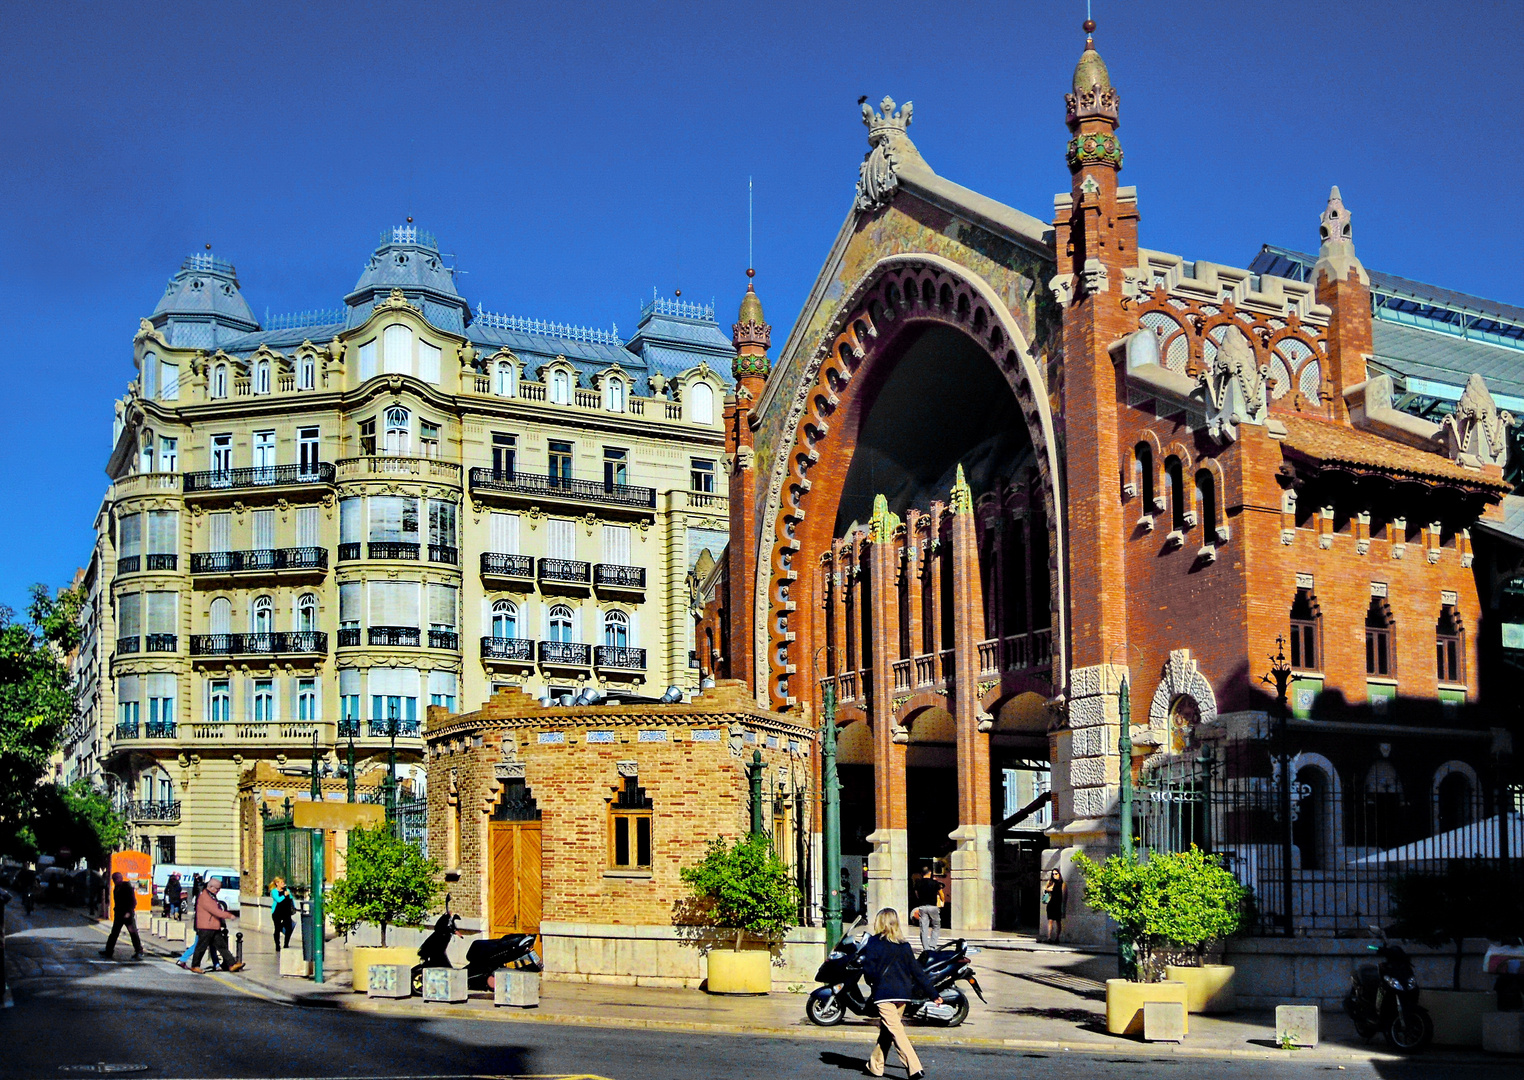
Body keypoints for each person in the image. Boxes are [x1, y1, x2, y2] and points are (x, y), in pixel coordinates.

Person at [857, 908, 938, 1080]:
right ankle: (874, 1066)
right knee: (888, 1031)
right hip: (902, 995)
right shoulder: (904, 946)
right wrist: (933, 994)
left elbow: (869, 969)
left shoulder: (873, 942)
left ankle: (914, 1067)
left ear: (879, 922)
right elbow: (917, 972)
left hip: (884, 994)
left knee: (896, 1031)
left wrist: (872, 981)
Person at [190, 877, 244, 974]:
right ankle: (195, 966)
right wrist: (229, 915)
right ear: (211, 887)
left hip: (213, 926)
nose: (218, 891)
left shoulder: (211, 896)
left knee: (222, 946)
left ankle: (232, 964)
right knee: (201, 947)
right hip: (206, 927)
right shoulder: (205, 897)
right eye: (217, 889)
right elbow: (216, 911)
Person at [100, 872, 143, 961]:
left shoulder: (127, 887)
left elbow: (133, 901)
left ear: (120, 878)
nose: (114, 881)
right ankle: (109, 951)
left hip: (127, 915)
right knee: (114, 933)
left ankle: (139, 951)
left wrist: (129, 912)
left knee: (133, 933)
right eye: (113, 879)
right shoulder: (116, 888)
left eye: (116, 879)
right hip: (119, 914)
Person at [910, 866, 945, 953]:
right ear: (929, 873)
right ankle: (932, 946)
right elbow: (941, 894)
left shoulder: (918, 883)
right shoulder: (935, 883)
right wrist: (942, 901)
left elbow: (917, 894)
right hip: (933, 907)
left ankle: (926, 948)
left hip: (922, 907)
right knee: (936, 926)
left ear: (922, 874)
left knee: (924, 928)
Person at [269, 877, 295, 952]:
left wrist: (293, 908)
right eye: (281, 882)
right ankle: (277, 945)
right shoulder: (274, 891)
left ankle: (286, 944)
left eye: (283, 882)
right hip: (277, 912)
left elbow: (291, 899)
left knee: (289, 928)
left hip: (286, 912)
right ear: (277, 883)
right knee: (277, 928)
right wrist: (284, 895)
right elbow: (278, 900)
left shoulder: (287, 890)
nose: (283, 884)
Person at [1041, 869, 1065, 943]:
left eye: (1056, 874)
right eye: (1053, 874)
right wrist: (1048, 889)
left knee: (1058, 921)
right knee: (1050, 920)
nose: (1054, 875)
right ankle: (1049, 937)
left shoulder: (1062, 884)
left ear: (1059, 874)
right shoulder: (1051, 882)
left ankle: (1057, 938)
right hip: (1051, 904)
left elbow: (1064, 895)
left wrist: (1063, 907)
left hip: (1058, 904)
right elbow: (1044, 889)